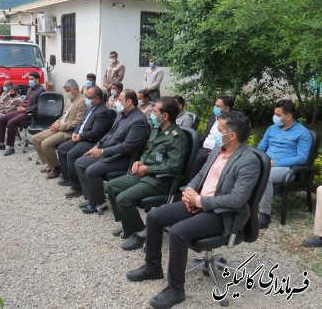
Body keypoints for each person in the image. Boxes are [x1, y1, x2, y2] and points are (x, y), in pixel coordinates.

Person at [125, 111, 260, 309]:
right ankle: (153, 267)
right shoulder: (218, 149)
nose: (214, 133)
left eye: (219, 130)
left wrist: (200, 200)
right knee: (154, 216)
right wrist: (189, 191)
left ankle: (175, 289)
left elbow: (237, 200)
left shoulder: (248, 161)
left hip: (221, 214)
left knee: (178, 232)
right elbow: (201, 174)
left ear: (232, 136)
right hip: (198, 202)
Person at [107, 97, 188, 250]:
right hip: (145, 173)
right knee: (111, 186)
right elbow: (148, 151)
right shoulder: (157, 129)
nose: (151, 113)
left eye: (155, 111)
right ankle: (128, 226)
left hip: (159, 180)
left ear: (165, 116)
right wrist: (140, 162)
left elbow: (174, 167)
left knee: (123, 199)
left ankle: (141, 232)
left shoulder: (177, 137)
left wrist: (148, 169)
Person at [74, 89, 150, 214]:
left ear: (129, 102)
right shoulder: (122, 114)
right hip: (109, 151)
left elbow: (127, 147)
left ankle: (98, 203)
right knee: (79, 163)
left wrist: (103, 151)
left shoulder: (139, 121)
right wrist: (97, 146)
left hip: (123, 158)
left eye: (120, 100)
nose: (117, 102)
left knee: (92, 170)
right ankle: (92, 198)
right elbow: (109, 133)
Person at [257, 99, 313, 229]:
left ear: (288, 116)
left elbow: (302, 158)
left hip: (286, 169)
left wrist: (275, 163)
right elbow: (261, 147)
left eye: (278, 115)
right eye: (274, 114)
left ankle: (265, 214)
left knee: (266, 176)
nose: (274, 117)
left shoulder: (303, 133)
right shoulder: (271, 129)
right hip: (266, 163)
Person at [57, 86, 114, 197]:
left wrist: (80, 137)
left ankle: (77, 187)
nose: (85, 98)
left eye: (88, 96)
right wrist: (75, 133)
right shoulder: (90, 107)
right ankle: (68, 178)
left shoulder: (102, 112)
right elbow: (81, 123)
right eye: (86, 95)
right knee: (62, 149)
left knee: (72, 155)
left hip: (91, 142)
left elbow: (96, 133)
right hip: (80, 137)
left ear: (97, 99)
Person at [31, 79, 87, 179]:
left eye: (67, 90)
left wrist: (60, 126)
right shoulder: (71, 99)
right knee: (35, 139)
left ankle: (56, 168)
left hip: (69, 131)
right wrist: (56, 122)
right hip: (60, 127)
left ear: (75, 89)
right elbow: (64, 115)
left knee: (45, 144)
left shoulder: (82, 101)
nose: (66, 93)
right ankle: (49, 164)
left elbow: (77, 122)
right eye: (65, 90)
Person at [0, 72, 45, 156]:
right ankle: (0, 144)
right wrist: (21, 107)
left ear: (37, 79)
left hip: (30, 113)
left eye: (32, 79)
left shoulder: (42, 90)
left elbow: (39, 105)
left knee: (11, 122)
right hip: (21, 109)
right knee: (0, 119)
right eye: (29, 79)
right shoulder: (29, 89)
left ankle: (10, 148)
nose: (30, 81)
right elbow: (26, 101)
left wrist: (26, 109)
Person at [192, 95, 234, 176]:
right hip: (203, 148)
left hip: (214, 151)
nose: (215, 107)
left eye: (218, 106)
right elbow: (206, 134)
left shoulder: (230, 123)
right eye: (215, 105)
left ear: (227, 108)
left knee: (197, 159)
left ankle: (190, 185)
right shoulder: (212, 118)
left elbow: (228, 142)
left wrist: (216, 152)